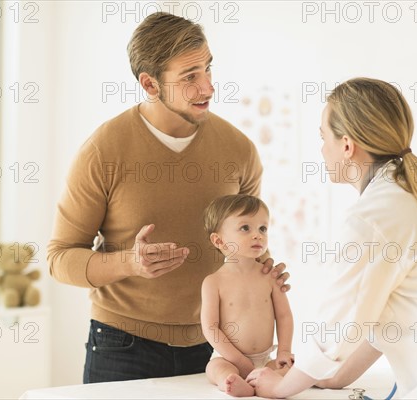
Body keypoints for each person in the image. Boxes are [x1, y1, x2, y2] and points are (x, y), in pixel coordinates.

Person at [46, 12, 290, 384]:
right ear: (150, 84)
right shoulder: (102, 151)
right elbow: (60, 258)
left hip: (217, 349)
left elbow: (240, 240)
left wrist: (264, 269)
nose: (208, 87)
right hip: (121, 347)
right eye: (190, 77)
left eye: (208, 69)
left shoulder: (239, 151)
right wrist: (129, 263)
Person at [246, 77, 417, 399]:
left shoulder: (374, 214)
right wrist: (334, 377)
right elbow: (376, 313)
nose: (323, 149)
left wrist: (282, 387)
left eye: (323, 138)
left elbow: (341, 322)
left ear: (347, 145)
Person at [200, 194, 294, 397]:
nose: (257, 235)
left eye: (263, 228)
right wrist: (238, 361)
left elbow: (284, 316)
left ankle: (268, 383)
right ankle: (231, 383)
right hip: (228, 357)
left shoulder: (270, 276)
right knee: (216, 369)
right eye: (245, 228)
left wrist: (284, 351)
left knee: (288, 370)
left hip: (265, 357)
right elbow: (210, 328)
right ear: (219, 240)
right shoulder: (213, 282)